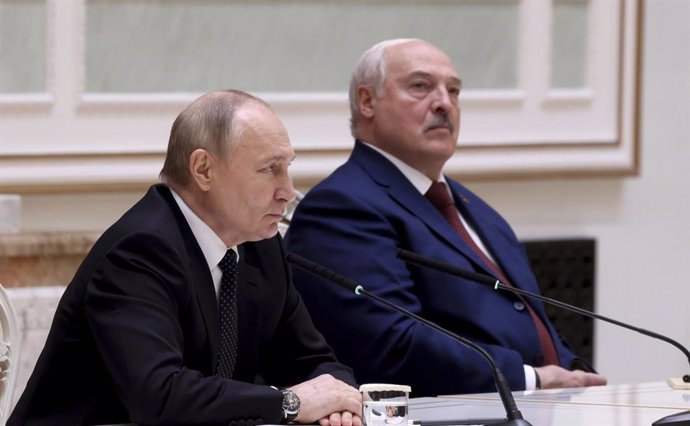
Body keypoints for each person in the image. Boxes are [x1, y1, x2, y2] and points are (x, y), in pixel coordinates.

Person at [9, 90, 362, 425]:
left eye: (288, 167)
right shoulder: (140, 252)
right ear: (203, 170)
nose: (287, 191)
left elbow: (315, 364)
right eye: (270, 169)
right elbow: (159, 395)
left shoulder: (259, 246)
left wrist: (337, 402)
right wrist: (290, 403)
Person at [284, 39, 607, 397]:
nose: (444, 103)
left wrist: (574, 372)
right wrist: (530, 378)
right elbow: (391, 344)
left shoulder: (478, 210)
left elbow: (532, 319)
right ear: (367, 101)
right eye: (420, 87)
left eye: (453, 91)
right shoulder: (341, 206)